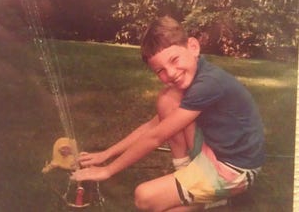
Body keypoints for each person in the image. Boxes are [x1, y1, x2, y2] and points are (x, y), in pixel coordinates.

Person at [70, 16, 265, 211]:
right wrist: (106, 154)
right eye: (160, 70)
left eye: (174, 60)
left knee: (144, 197)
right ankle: (192, 182)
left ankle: (212, 196)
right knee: (167, 100)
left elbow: (156, 137)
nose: (170, 73)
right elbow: (153, 126)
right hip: (213, 151)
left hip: (235, 170)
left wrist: (107, 171)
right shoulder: (197, 76)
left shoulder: (209, 83)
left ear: (193, 47)